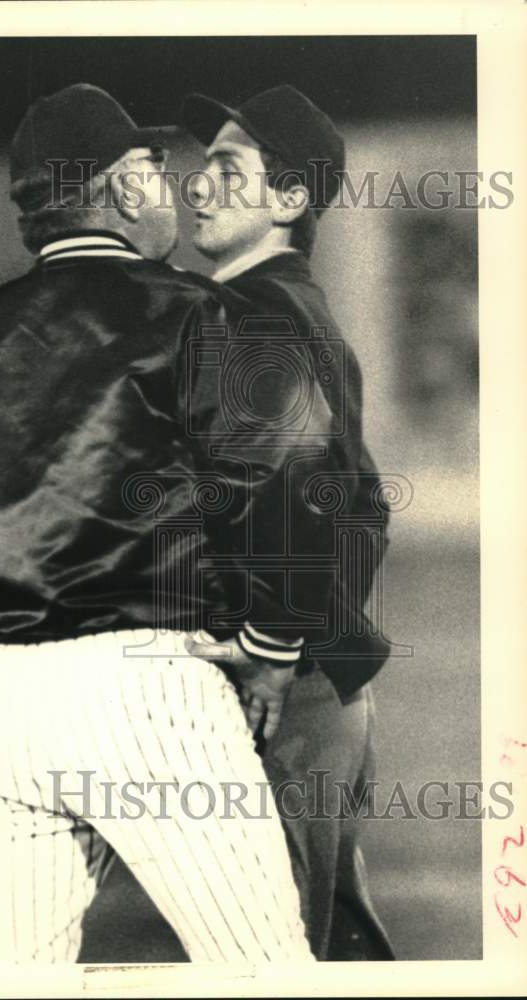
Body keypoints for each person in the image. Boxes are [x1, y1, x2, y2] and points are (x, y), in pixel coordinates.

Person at [0, 84, 316, 965]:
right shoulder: (193, 311)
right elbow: (291, 474)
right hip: (150, 689)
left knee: (14, 981)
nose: (170, 189)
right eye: (155, 172)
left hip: (2, 700)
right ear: (121, 190)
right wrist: (272, 637)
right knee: (266, 970)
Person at [181, 84, 395, 959]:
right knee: (328, 940)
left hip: (289, 686)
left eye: (228, 170)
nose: (198, 186)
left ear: (289, 200)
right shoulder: (281, 306)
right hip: (313, 677)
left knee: (277, 952)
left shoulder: (258, 314)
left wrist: (270, 644)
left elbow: (334, 500)